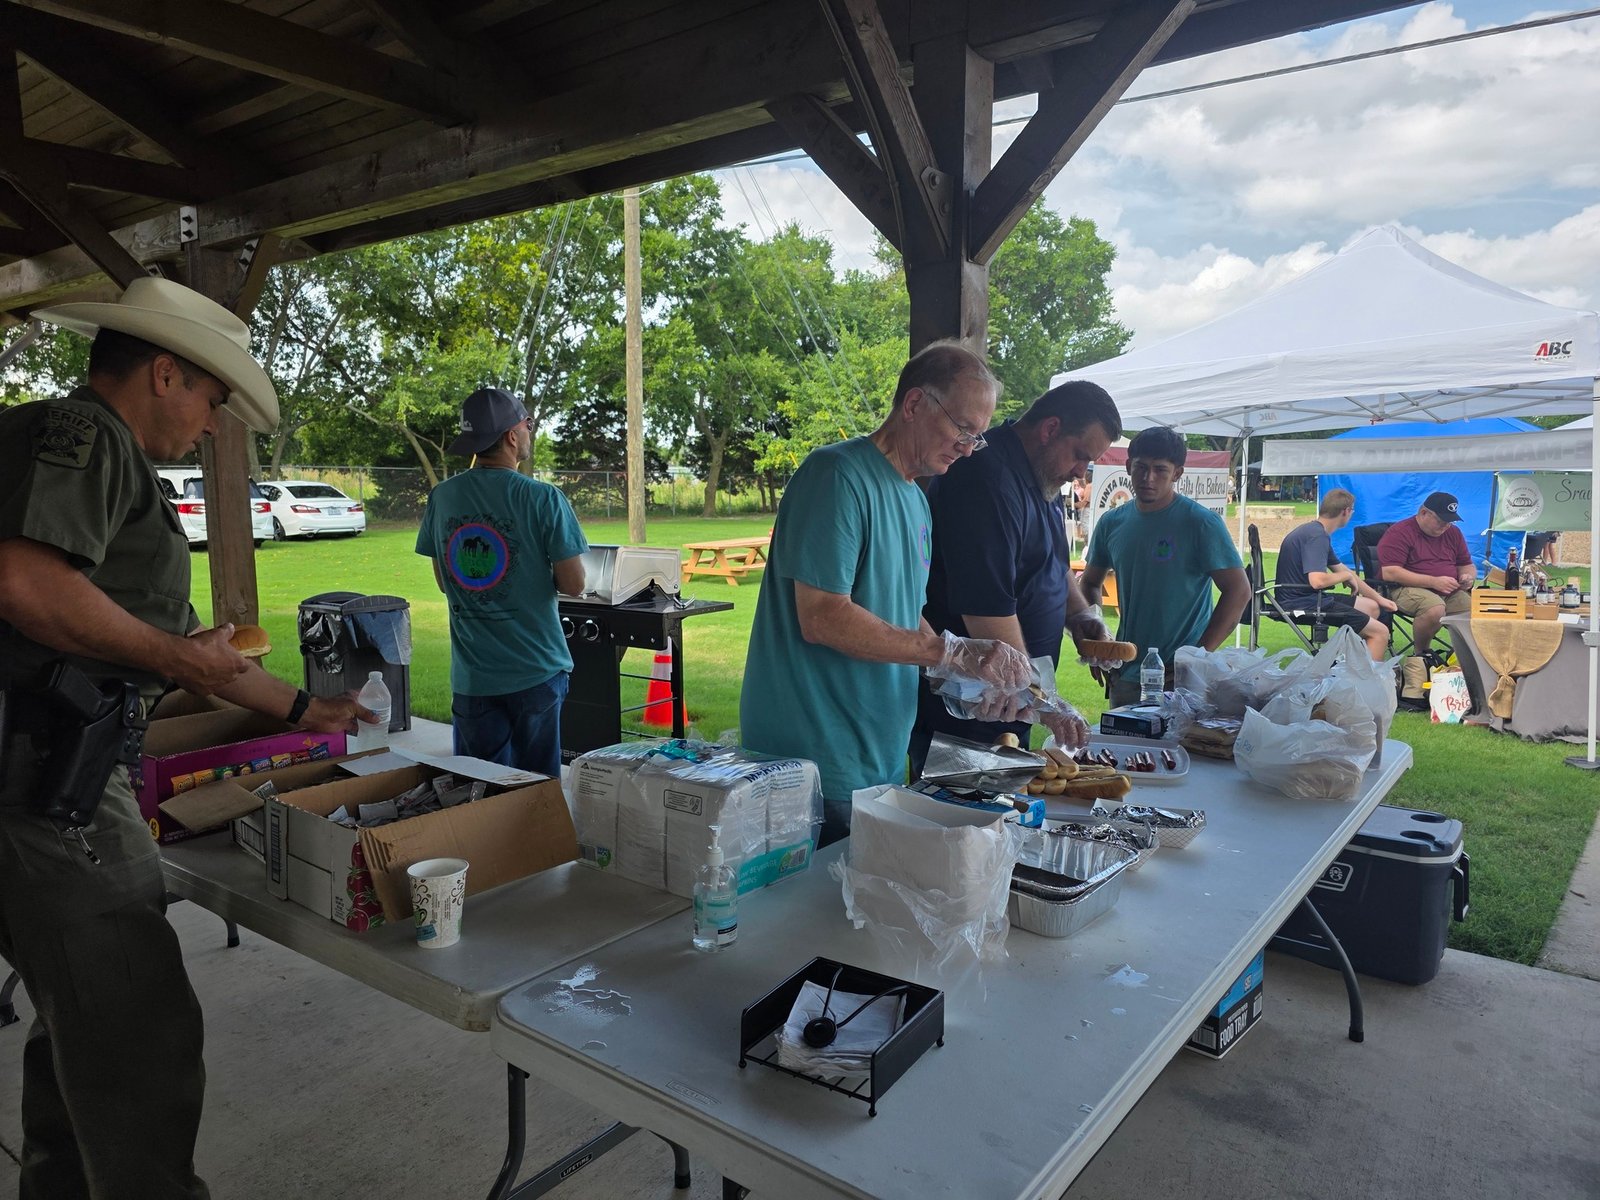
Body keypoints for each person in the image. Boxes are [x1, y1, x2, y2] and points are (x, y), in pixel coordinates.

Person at [0, 277, 373, 1199]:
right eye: (210, 398)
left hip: (45, 768)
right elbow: (29, 585)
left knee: (77, 1021)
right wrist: (175, 654)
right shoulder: (93, 439)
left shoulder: (67, 443)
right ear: (165, 372)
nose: (212, 425)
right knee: (136, 1031)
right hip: (54, 782)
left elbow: (179, 647)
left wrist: (299, 711)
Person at [740, 341, 1032, 846]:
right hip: (813, 759)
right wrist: (951, 650)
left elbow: (902, 613)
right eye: (962, 429)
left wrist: (959, 676)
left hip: (875, 753)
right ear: (914, 404)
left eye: (977, 438)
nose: (967, 447)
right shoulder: (836, 475)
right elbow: (823, 617)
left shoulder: (916, 500)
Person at [910, 380, 1123, 775]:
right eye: (1080, 456)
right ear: (1050, 428)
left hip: (1012, 702)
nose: (1081, 473)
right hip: (965, 714)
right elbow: (985, 613)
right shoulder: (986, 478)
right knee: (964, 829)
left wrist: (1081, 617)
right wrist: (1048, 704)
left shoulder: (1042, 476)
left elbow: (1053, 566)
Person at [416, 387, 588, 779]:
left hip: (473, 677)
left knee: (479, 789)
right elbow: (575, 584)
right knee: (536, 792)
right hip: (536, 669)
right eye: (527, 425)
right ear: (512, 435)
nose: (529, 433)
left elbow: (445, 582)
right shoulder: (543, 498)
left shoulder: (442, 497)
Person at [1078, 426, 1251, 706]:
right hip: (1127, 673)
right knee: (1124, 749)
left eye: (1160, 470)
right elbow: (1089, 582)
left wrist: (1195, 657)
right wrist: (1097, 637)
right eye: (1140, 468)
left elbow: (1239, 591)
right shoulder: (1112, 523)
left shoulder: (1200, 523)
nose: (1148, 478)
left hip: (1183, 679)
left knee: (1183, 749)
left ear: (1178, 473)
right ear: (1127, 466)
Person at [1274, 489, 1399, 660]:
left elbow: (1345, 572)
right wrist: (1345, 577)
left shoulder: (1315, 531)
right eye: (1352, 511)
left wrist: (1380, 599)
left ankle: (1347, 662)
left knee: (1372, 607)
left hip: (1309, 598)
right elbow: (1317, 581)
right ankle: (1367, 683)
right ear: (1346, 511)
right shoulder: (1317, 536)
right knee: (1380, 633)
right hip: (1303, 603)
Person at [1376, 491, 1476, 654]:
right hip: (1401, 588)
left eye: (1450, 521)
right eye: (1441, 520)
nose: (1446, 526)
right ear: (1423, 513)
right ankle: (1422, 654)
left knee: (1476, 611)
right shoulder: (1400, 532)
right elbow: (1390, 573)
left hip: (1448, 591)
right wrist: (1433, 582)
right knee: (1434, 608)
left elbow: (1466, 564)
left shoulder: (1453, 533)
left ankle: (1466, 657)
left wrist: (1467, 577)